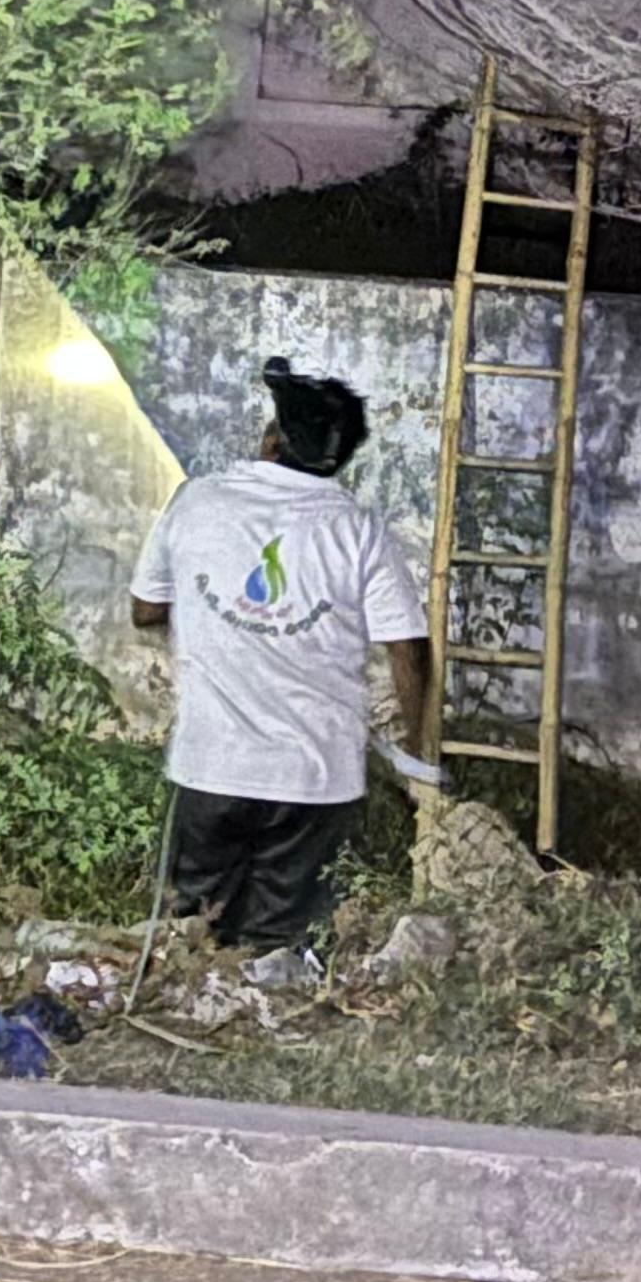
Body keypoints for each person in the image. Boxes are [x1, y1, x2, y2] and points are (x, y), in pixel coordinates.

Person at [129, 362, 435, 986]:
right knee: (280, 949)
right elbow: (409, 650)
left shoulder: (197, 500)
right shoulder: (358, 530)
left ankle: (193, 1008)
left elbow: (145, 610)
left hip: (211, 767)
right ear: (338, 460)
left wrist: (218, 618)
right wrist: (420, 755)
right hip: (315, 780)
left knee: (191, 934)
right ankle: (266, 1002)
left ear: (272, 440)